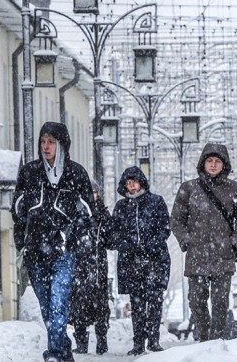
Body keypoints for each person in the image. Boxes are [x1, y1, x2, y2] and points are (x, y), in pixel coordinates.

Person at [11, 121, 99, 362]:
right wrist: (24, 240)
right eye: (43, 141)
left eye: (51, 142)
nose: (46, 146)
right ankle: (64, 350)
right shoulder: (30, 172)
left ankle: (55, 354)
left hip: (63, 250)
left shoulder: (76, 173)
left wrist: (76, 236)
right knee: (47, 309)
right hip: (36, 251)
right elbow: (17, 210)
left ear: (61, 144)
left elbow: (89, 213)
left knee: (58, 303)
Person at [171, 143, 237, 341]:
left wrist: (234, 243)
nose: (213, 165)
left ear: (224, 165)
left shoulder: (235, 189)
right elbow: (176, 219)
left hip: (223, 254)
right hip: (197, 254)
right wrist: (186, 240)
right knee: (196, 301)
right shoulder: (188, 189)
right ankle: (204, 337)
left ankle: (217, 341)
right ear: (203, 163)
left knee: (220, 302)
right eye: (210, 161)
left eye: (217, 161)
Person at [110, 166, 171, 356]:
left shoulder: (156, 202)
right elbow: (114, 233)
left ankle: (153, 340)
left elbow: (165, 228)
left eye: (134, 182)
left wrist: (151, 244)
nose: (132, 186)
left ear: (141, 182)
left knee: (154, 301)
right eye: (128, 183)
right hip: (131, 262)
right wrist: (126, 245)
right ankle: (138, 342)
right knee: (137, 305)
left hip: (154, 260)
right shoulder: (121, 207)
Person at [68, 179, 111, 355]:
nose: (91, 195)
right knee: (79, 306)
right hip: (79, 265)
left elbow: (109, 239)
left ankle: (102, 341)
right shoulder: (74, 212)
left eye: (93, 191)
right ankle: (81, 342)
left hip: (98, 265)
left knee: (100, 305)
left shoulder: (102, 214)